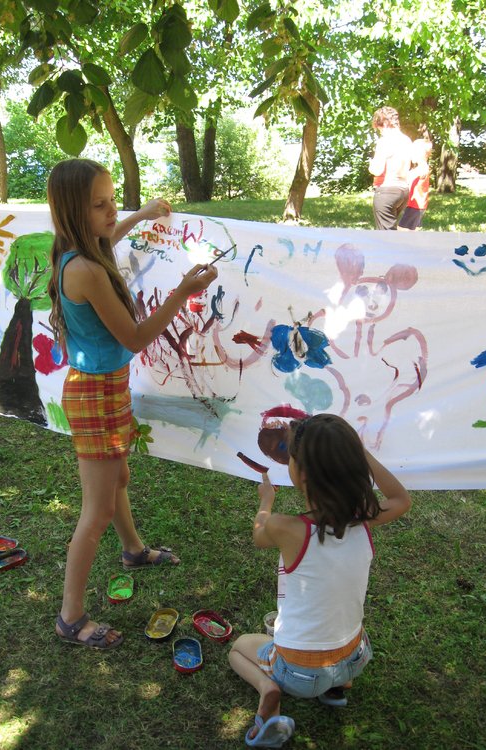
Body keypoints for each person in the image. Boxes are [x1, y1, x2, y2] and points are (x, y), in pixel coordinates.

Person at [47, 158, 218, 649]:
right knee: (95, 512)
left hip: (105, 385)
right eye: (98, 205)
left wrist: (140, 216)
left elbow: (108, 238)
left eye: (112, 199)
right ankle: (70, 617)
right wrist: (183, 292)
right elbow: (138, 335)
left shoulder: (77, 251)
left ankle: (133, 551)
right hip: (95, 393)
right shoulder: (87, 271)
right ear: (73, 213)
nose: (110, 211)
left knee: (118, 476)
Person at [228, 414, 411, 748]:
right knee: (336, 638)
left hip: (300, 673)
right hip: (356, 658)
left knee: (239, 649)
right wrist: (358, 451)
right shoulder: (366, 518)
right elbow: (402, 499)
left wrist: (265, 503)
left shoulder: (284, 526)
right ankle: (337, 689)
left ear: (300, 473)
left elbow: (258, 535)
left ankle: (269, 691)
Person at [369, 106, 413, 230]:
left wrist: (371, 164)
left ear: (386, 123)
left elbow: (377, 169)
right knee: (391, 232)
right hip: (403, 191)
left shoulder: (385, 141)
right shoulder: (406, 140)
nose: (380, 131)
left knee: (385, 237)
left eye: (380, 128)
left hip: (387, 190)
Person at [398, 138, 433, 231]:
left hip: (415, 206)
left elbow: (408, 178)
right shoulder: (420, 167)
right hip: (416, 206)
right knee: (412, 231)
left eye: (413, 152)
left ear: (421, 153)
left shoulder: (422, 168)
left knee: (401, 230)